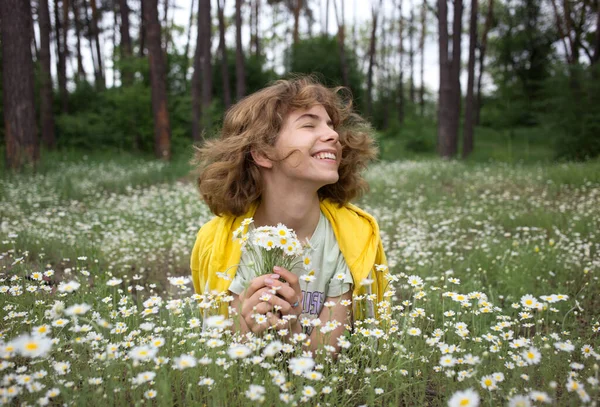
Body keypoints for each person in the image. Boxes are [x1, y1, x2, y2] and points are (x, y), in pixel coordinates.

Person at [190, 76, 389, 354]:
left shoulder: (353, 238)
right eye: (309, 124)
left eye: (331, 126)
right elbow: (227, 357)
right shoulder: (223, 243)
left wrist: (290, 330)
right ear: (263, 152)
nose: (333, 135)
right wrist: (248, 329)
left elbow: (325, 358)